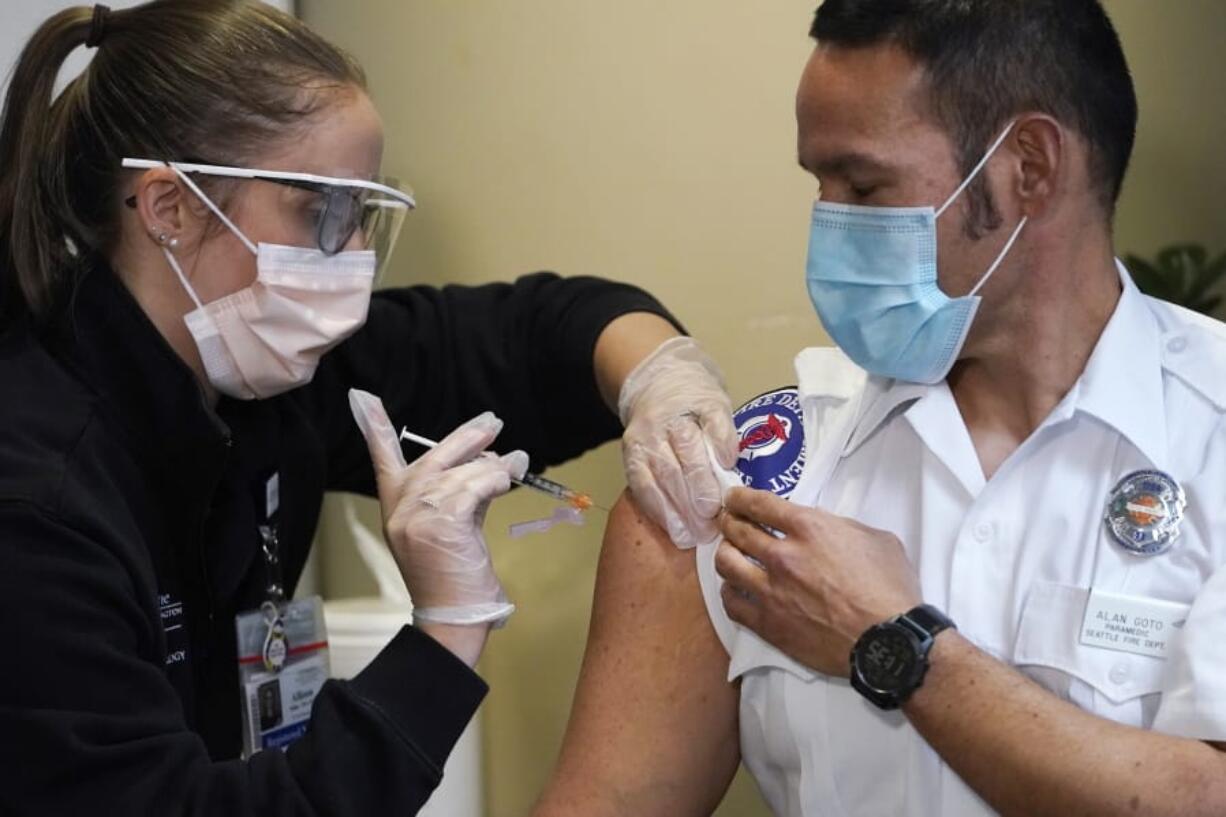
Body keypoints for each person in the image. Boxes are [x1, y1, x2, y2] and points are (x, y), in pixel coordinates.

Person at [0, 2, 737, 814]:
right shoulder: (37, 496)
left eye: (361, 214)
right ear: (169, 209)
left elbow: (540, 335)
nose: (352, 257)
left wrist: (661, 381)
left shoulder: (257, 367)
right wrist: (447, 629)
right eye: (320, 213)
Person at [534, 1, 1226, 815]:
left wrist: (896, 642)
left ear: (1029, 167)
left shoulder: (1209, 434)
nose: (829, 229)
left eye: (863, 184)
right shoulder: (753, 472)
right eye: (819, 187)